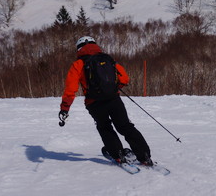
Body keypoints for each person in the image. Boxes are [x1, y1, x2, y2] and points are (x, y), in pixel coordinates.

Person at [59, 36, 153, 166]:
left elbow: (71, 89)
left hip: (94, 103)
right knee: (125, 126)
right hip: (114, 99)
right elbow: (124, 79)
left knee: (105, 127)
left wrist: (65, 108)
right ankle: (144, 156)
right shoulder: (108, 59)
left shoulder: (78, 64)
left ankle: (118, 155)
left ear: (79, 48)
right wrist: (112, 88)